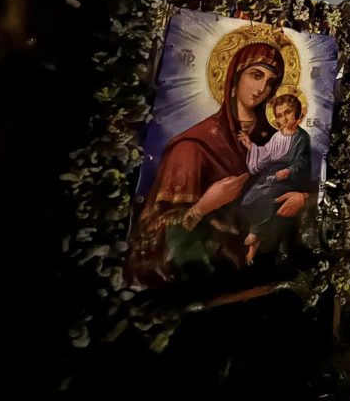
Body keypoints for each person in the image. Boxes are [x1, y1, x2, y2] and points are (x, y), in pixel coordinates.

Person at [126, 41, 309, 287]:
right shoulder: (191, 147)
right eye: (256, 75)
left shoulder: (278, 139)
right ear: (235, 76)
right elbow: (151, 232)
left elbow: (297, 180)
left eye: (270, 82)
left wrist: (301, 196)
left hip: (258, 269)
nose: (262, 88)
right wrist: (202, 206)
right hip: (200, 276)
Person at [237, 91, 312, 263]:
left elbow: (301, 162)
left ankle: (256, 233)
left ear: (296, 112)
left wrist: (288, 171)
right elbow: (266, 154)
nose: (283, 118)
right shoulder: (277, 136)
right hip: (273, 175)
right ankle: (255, 235)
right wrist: (251, 147)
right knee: (250, 197)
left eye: (287, 112)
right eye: (279, 115)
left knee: (268, 197)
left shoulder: (301, 137)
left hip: (292, 180)